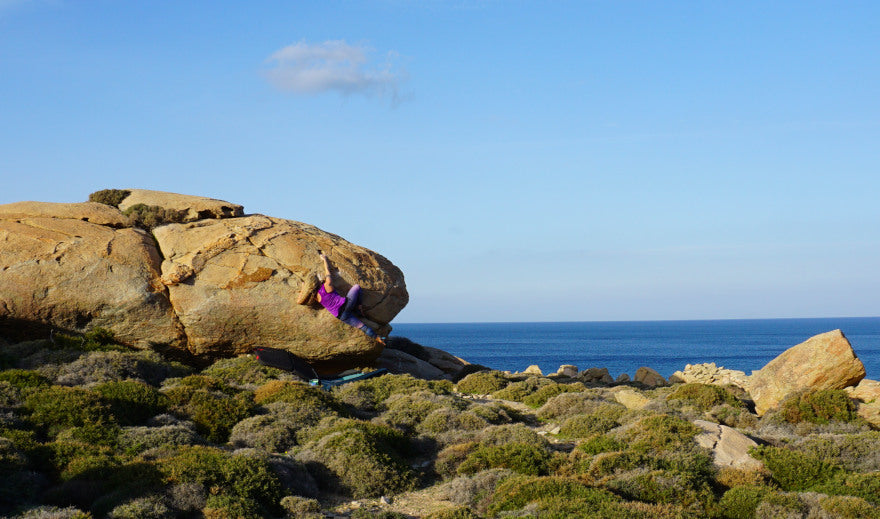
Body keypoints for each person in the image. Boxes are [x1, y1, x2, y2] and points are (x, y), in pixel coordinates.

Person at [316, 252, 384, 344]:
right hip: (346, 304)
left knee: (363, 327)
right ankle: (358, 308)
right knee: (357, 287)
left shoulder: (316, 297)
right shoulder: (326, 286)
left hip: (341, 316)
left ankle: (377, 338)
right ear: (320, 283)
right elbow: (328, 271)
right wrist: (325, 259)